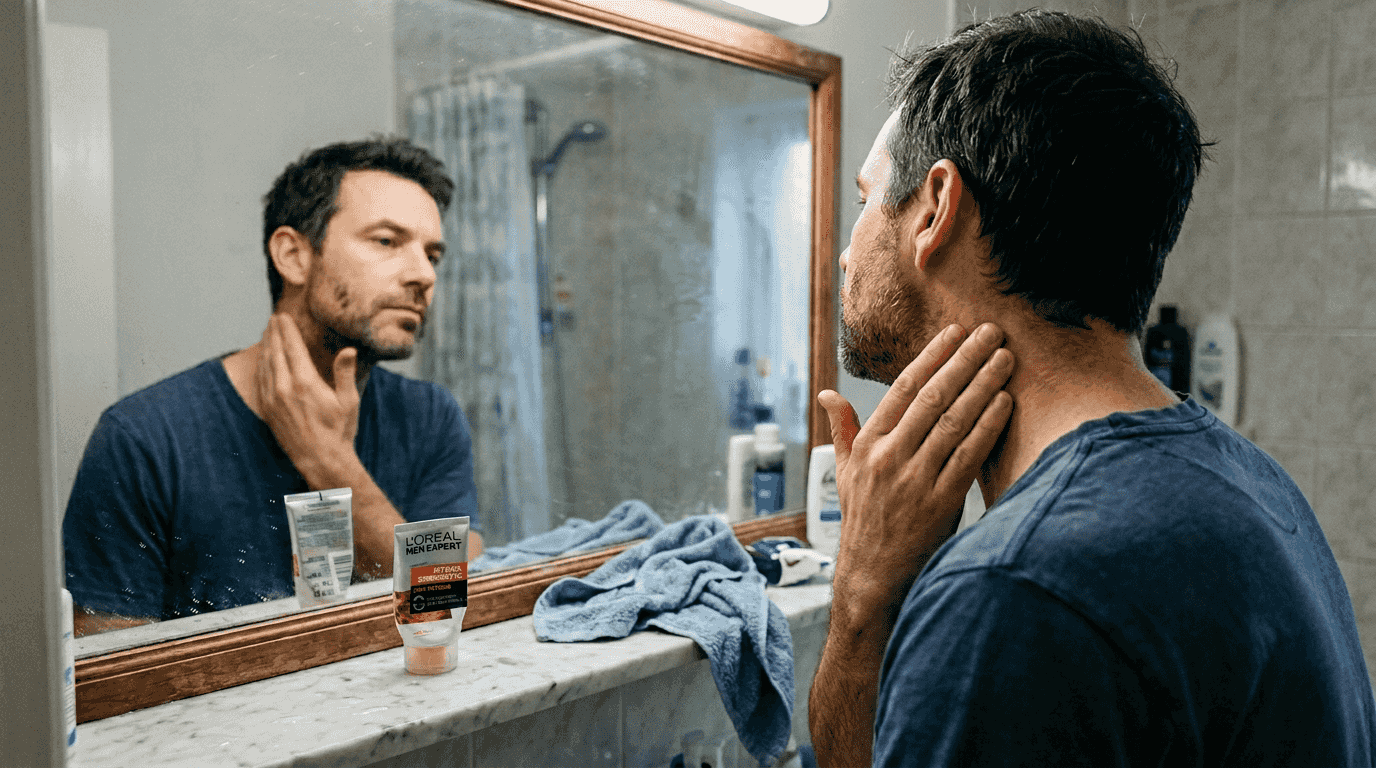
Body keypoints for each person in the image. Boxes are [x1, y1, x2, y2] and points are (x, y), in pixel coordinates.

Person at [808, 10, 1376, 766]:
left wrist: (858, 605)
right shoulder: (1254, 486)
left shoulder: (1013, 591)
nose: (847, 256)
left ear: (935, 209)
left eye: (865, 200)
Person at [64, 138, 484, 636]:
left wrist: (328, 461)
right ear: (293, 255)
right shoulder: (143, 438)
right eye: (387, 241)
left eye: (432, 254)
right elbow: (110, 686)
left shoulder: (429, 417)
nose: (423, 275)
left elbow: (450, 618)